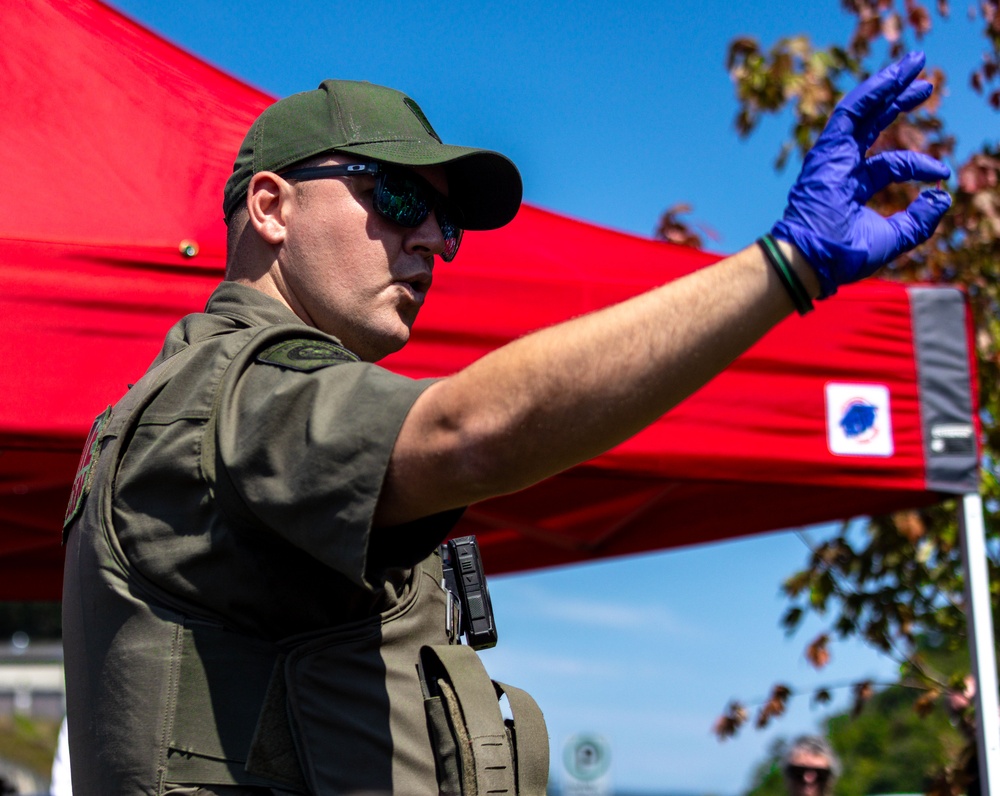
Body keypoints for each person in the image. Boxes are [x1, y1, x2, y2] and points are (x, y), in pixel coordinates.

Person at [61, 52, 951, 796]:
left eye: (447, 222)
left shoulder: (230, 400)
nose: (435, 243)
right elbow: (469, 432)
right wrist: (785, 267)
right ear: (271, 208)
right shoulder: (243, 393)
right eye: (400, 199)